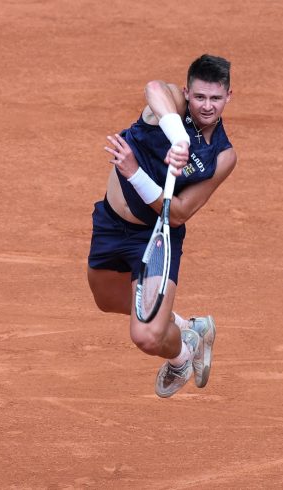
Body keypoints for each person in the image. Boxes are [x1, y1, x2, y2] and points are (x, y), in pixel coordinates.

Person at [87, 54, 237, 398]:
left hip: (154, 237)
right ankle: (190, 328)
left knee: (148, 336)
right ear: (187, 92)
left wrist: (134, 173)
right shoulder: (169, 105)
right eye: (199, 97)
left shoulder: (223, 155)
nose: (207, 106)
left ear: (229, 96)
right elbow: (153, 87)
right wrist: (178, 137)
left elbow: (181, 211)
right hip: (110, 224)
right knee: (107, 299)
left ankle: (181, 358)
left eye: (216, 98)